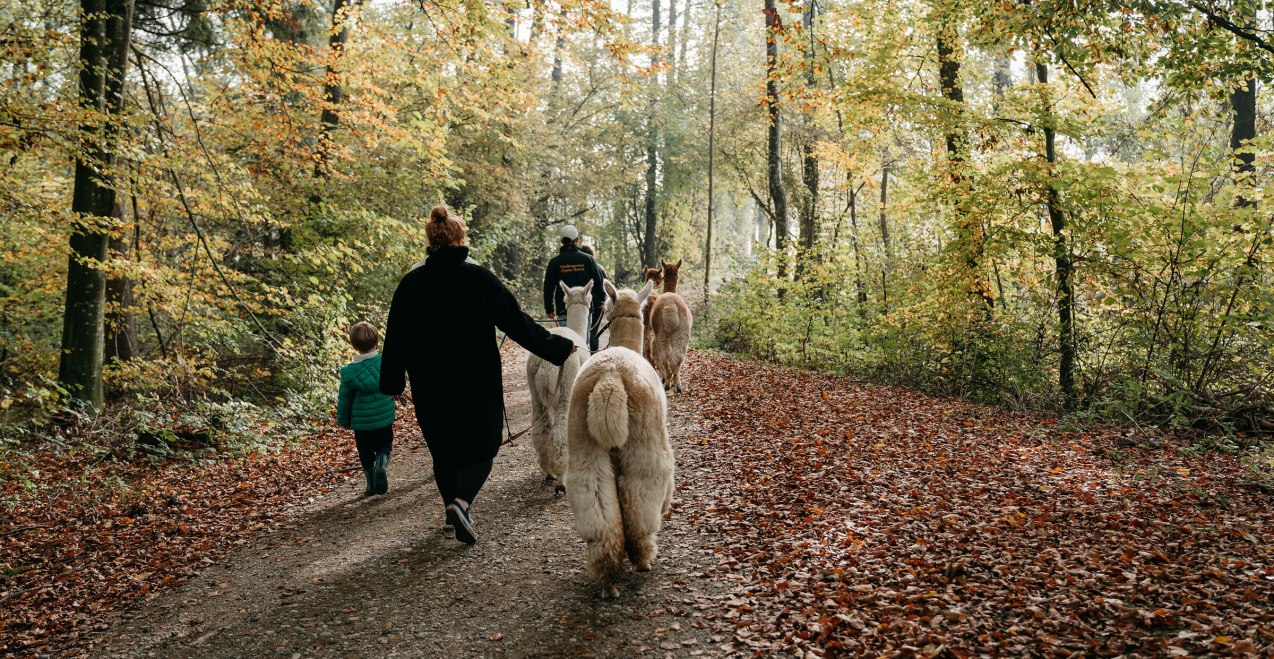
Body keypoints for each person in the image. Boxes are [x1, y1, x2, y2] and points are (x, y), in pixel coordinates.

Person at [380, 205, 576, 545]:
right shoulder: (480, 279)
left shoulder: (411, 283)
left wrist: (392, 381)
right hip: (476, 380)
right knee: (484, 447)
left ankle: (452, 511)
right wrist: (558, 347)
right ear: (460, 238)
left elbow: (395, 336)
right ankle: (461, 503)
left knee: (444, 450)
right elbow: (517, 322)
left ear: (431, 241)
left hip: (429, 381)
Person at [337, 322, 396, 497]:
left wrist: (343, 420)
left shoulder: (349, 372)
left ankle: (370, 485)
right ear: (376, 342)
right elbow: (394, 384)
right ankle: (381, 463)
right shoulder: (385, 362)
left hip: (362, 424)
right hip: (384, 419)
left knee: (365, 452)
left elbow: (344, 399)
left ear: (353, 345)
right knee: (384, 446)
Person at [543, 225, 606, 352]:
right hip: (584, 309)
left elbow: (548, 287)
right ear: (577, 239)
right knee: (583, 344)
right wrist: (605, 302)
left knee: (566, 344)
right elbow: (600, 284)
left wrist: (549, 309)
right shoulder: (588, 259)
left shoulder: (555, 262)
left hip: (564, 309)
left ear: (561, 241)